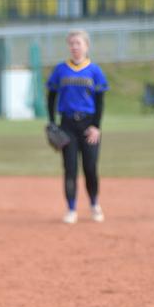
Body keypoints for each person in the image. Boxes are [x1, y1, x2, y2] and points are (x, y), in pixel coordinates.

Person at [46, 30, 109, 224]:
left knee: (90, 167)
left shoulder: (94, 70)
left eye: (78, 43)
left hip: (88, 124)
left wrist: (96, 126)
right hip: (67, 125)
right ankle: (71, 209)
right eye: (71, 43)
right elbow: (51, 96)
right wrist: (52, 122)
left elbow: (100, 101)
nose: (74, 46)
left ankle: (94, 204)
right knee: (70, 169)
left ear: (86, 46)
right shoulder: (60, 70)